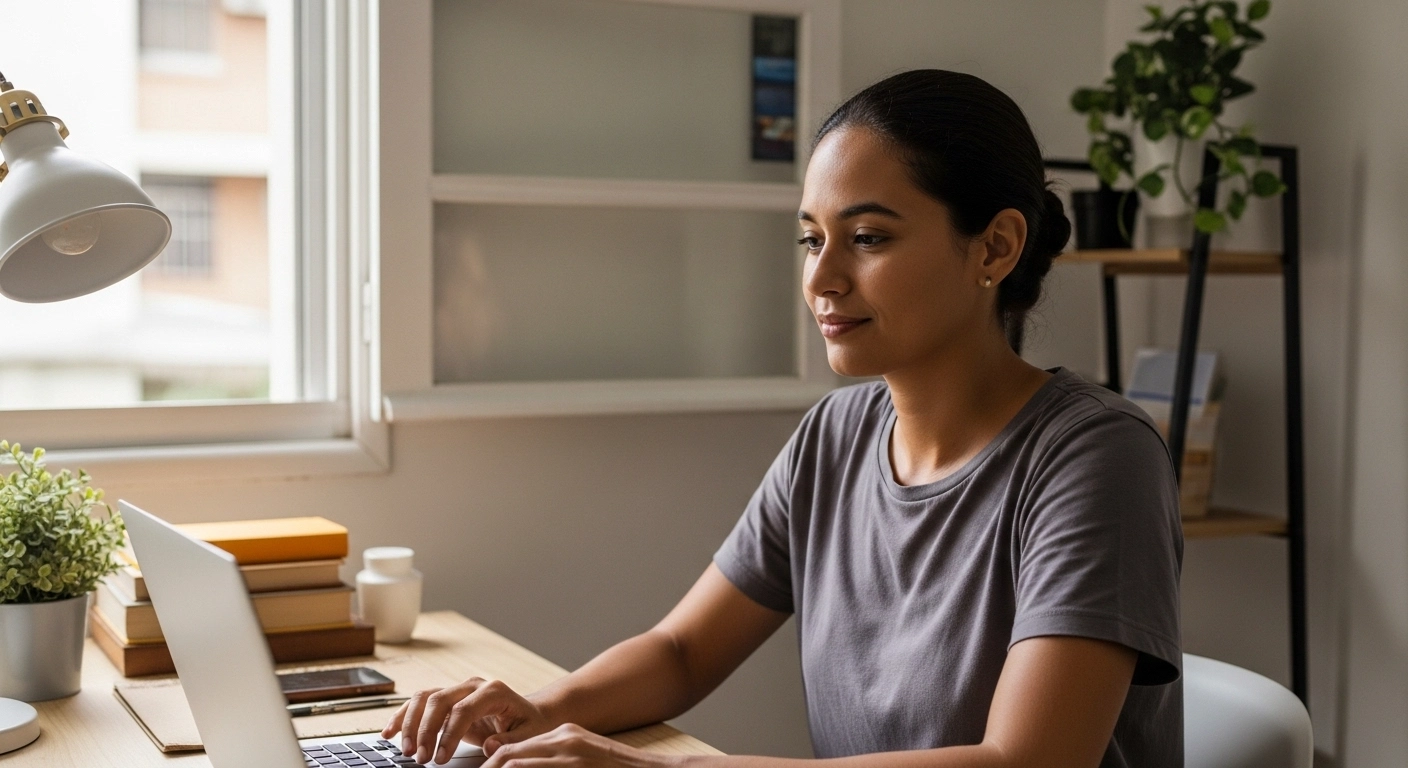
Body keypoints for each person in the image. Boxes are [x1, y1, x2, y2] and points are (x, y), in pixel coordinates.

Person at [383, 69, 1183, 768]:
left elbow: (1030, 763)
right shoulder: (834, 439)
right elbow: (684, 650)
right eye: (811, 240)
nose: (822, 278)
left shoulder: (1096, 456)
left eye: (867, 237)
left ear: (996, 247)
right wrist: (540, 708)